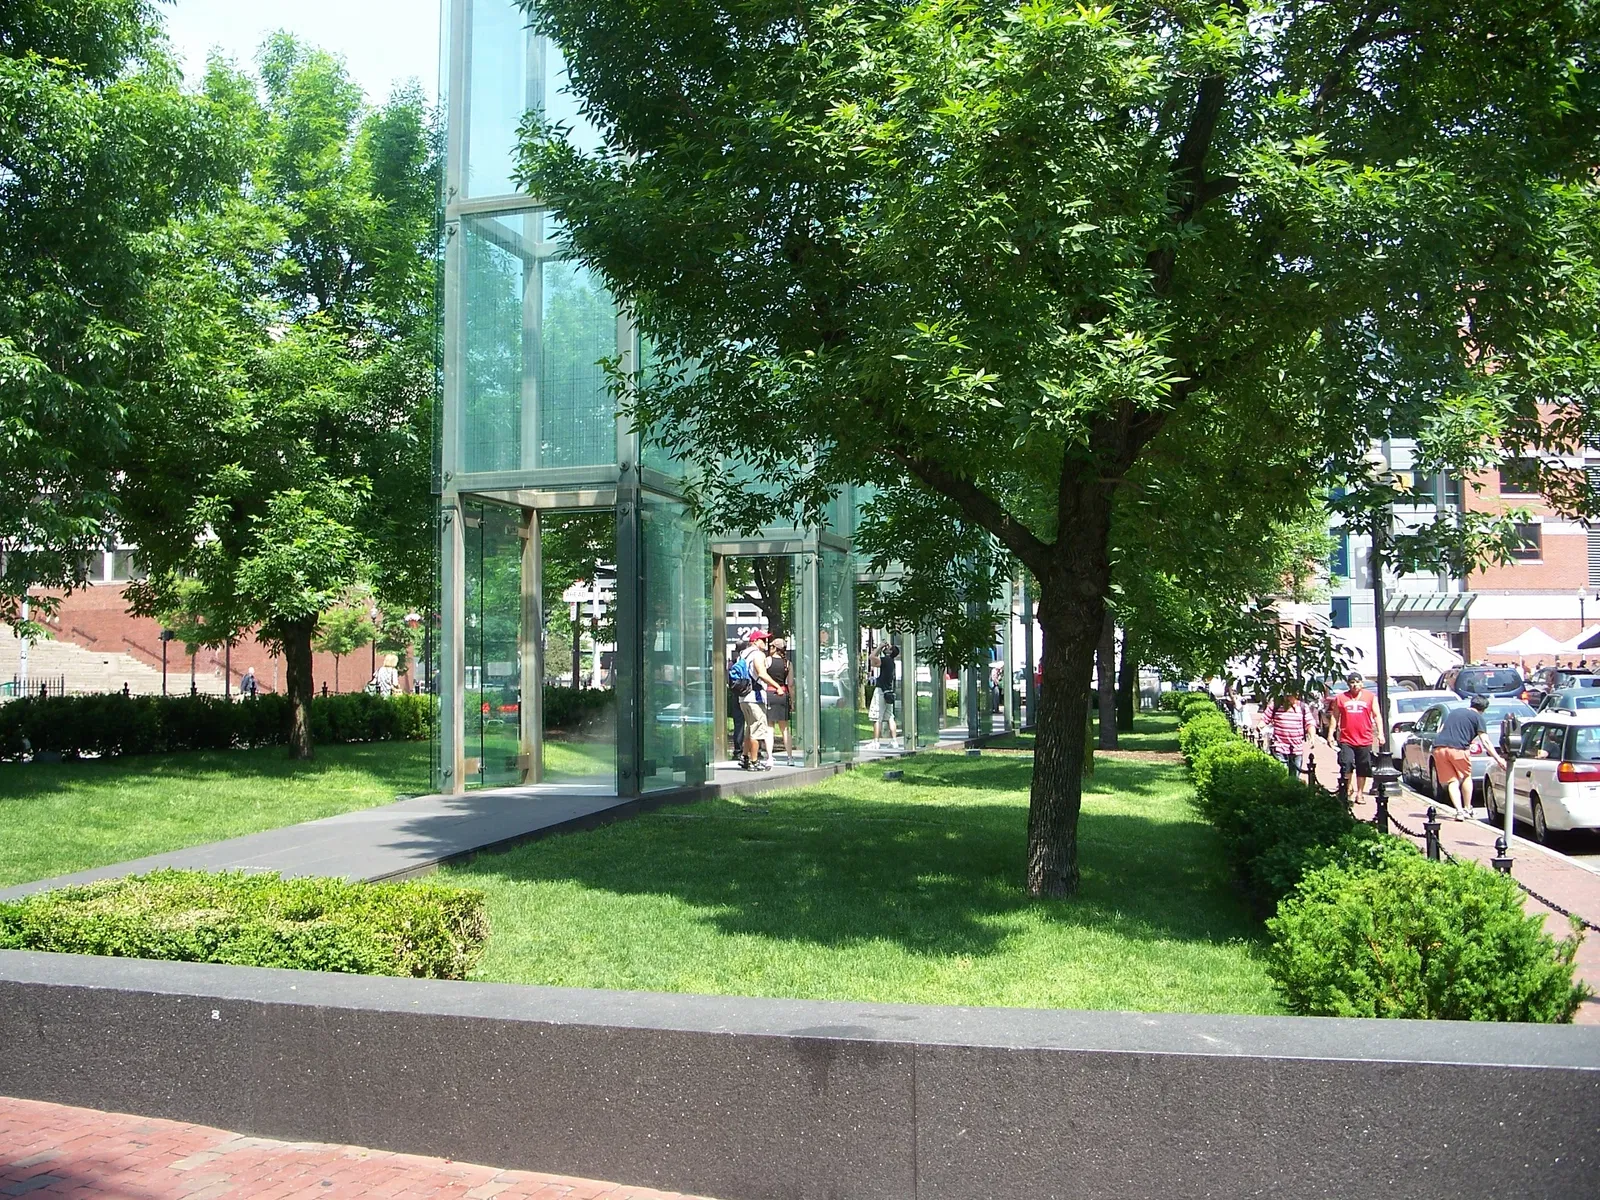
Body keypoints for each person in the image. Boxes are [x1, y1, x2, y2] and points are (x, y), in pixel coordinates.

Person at [1431, 694, 1503, 820]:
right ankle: (1467, 808)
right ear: (1483, 709)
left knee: (1452, 781)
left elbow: (1440, 730)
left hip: (1439, 748)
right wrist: (1498, 759)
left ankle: (1459, 811)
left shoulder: (1454, 712)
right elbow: (1485, 742)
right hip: (1458, 749)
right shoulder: (1478, 718)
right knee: (1465, 777)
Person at [1327, 671, 1380, 805]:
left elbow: (1377, 715)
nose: (1355, 685)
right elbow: (1335, 716)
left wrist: (1381, 733)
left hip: (1364, 738)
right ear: (1348, 684)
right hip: (1347, 739)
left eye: (1357, 682)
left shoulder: (1370, 697)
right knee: (1347, 764)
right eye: (1352, 682)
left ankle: (1360, 793)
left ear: (1362, 683)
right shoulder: (1341, 698)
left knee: (1363, 767)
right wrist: (1331, 733)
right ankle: (1348, 789)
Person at [736, 630, 783, 771]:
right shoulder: (758, 654)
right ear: (755, 641)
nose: (766, 642)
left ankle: (744, 757)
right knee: (757, 730)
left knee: (750, 728)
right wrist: (777, 686)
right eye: (763, 639)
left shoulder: (742, 655)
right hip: (755, 697)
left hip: (743, 696)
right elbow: (761, 673)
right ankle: (754, 761)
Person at [1263, 691, 1315, 777]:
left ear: (1296, 695)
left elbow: (1310, 723)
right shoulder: (1275, 705)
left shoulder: (1302, 707)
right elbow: (1265, 719)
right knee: (1282, 776)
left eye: (1290, 695)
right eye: (1286, 695)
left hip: (1296, 748)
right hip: (1280, 747)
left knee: (1295, 778)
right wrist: (1259, 727)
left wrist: (1312, 737)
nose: (1288, 698)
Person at [766, 638, 795, 764]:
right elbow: (791, 684)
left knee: (769, 727)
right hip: (783, 695)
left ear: (774, 648)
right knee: (785, 728)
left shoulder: (767, 660)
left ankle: (769, 757)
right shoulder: (788, 664)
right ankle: (790, 757)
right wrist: (792, 701)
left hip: (770, 693)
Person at [869, 642, 900, 748]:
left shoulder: (886, 660)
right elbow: (874, 663)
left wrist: (880, 646)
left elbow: (871, 657)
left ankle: (876, 742)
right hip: (889, 692)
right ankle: (894, 741)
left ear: (890, 651)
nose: (886, 648)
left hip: (881, 691)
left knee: (877, 716)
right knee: (890, 717)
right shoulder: (891, 662)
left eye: (888, 647)